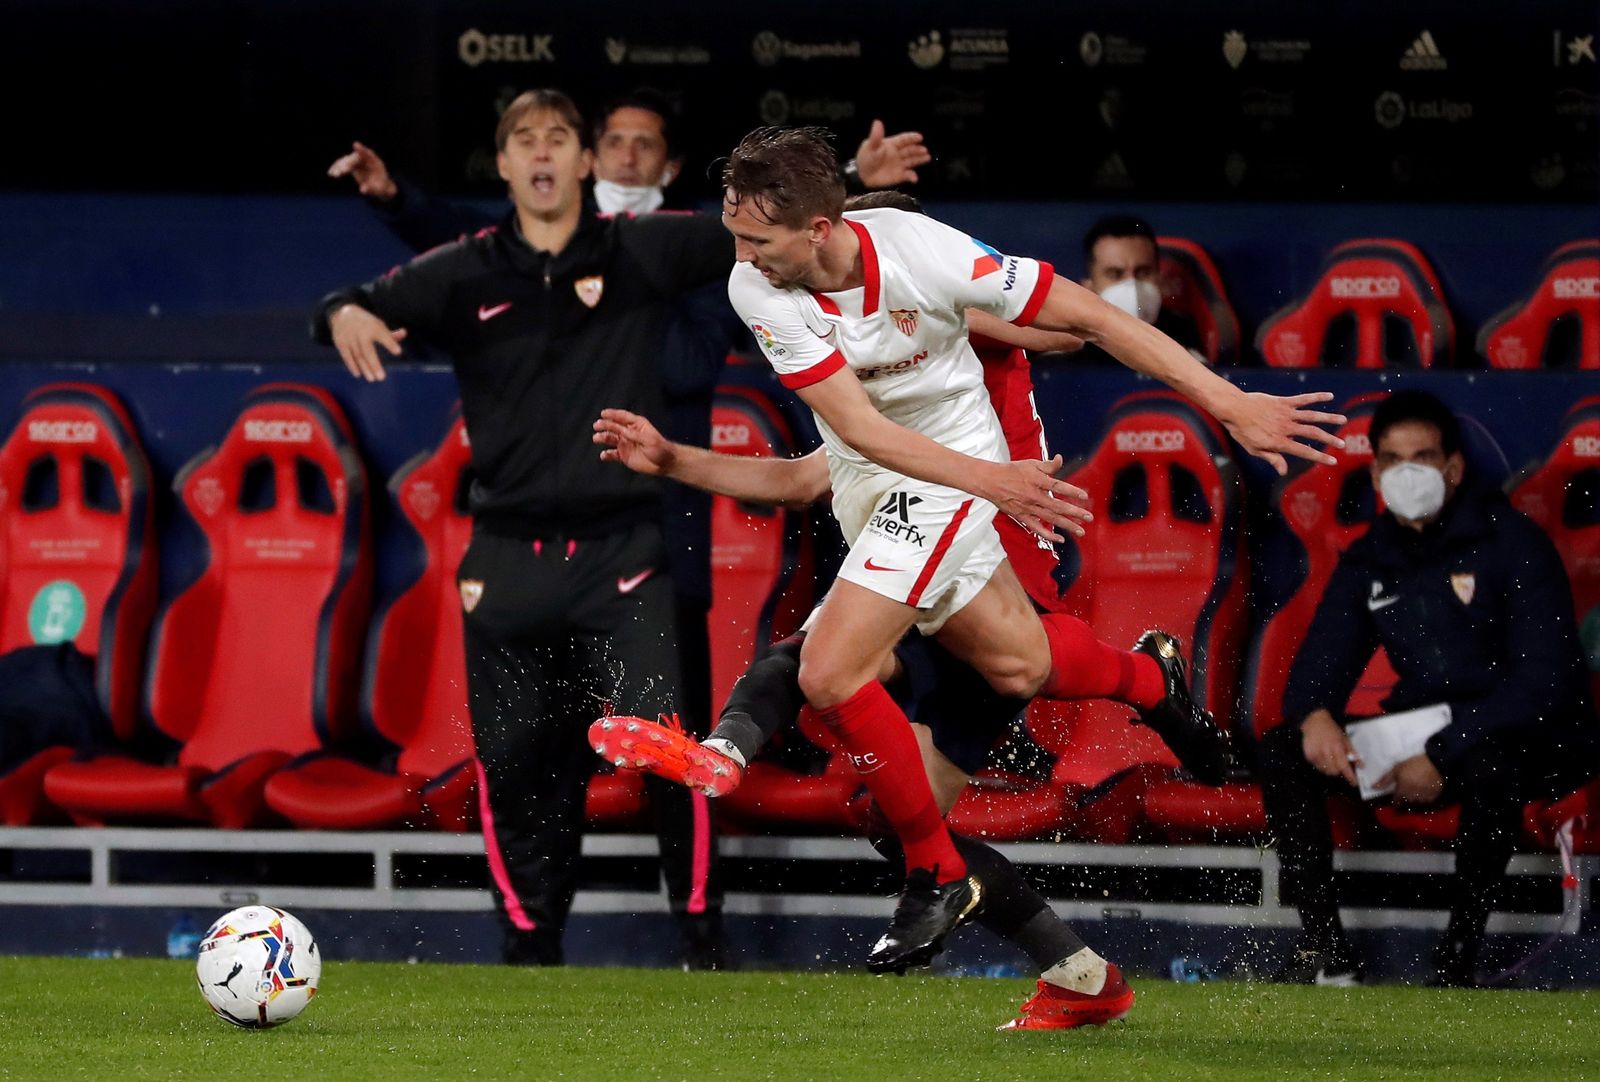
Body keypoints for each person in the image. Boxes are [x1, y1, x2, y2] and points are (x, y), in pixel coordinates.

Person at [608, 125, 1344, 977]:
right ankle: (1084, 961)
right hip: (908, 489)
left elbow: (1084, 323)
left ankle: (907, 859)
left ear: (823, 228)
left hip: (987, 500)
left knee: (827, 666)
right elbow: (836, 454)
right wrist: (674, 460)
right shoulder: (762, 286)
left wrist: (1232, 402)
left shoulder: (942, 272)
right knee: (1008, 676)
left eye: (757, 240)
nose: (739, 258)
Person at [327, 97, 934, 757]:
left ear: (669, 165)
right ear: (593, 157)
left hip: (661, 537)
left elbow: (693, 361)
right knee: (556, 749)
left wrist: (624, 289)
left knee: (676, 747)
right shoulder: (547, 250)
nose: (626, 154)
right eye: (613, 139)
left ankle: (689, 862)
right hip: (552, 546)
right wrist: (391, 197)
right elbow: (458, 243)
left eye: (643, 144)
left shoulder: (691, 261)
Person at [311, 89, 741, 969]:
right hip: (506, 561)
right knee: (516, 767)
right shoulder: (465, 270)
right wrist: (342, 312)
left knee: (670, 751)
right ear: (504, 166)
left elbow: (760, 227)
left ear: (583, 164)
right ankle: (530, 944)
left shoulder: (643, 251)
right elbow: (345, 301)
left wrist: (852, 187)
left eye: (557, 138)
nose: (541, 152)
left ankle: (701, 940)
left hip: (625, 552)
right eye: (522, 140)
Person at [1262, 389, 1600, 987]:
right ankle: (1328, 956)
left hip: (1517, 737)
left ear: (1453, 467)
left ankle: (1457, 960)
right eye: (1392, 459)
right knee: (1284, 752)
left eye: (1422, 457)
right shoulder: (1371, 557)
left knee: (1495, 765)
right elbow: (1320, 665)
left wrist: (1442, 754)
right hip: (1421, 732)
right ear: (1375, 471)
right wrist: (1315, 715)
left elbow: (1547, 685)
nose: (1407, 472)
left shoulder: (1513, 544)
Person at [1076, 214, 1206, 364]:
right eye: (1115, 274)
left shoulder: (1185, 339)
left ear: (1159, 277)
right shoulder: (1070, 343)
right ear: (1088, 287)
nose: (1132, 284)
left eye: (1143, 272)